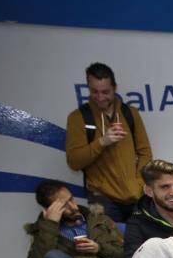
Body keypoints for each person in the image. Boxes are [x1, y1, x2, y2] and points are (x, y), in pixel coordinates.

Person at [65, 63, 153, 222]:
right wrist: (101, 142)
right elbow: (74, 161)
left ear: (115, 88)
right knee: (109, 245)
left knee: (142, 244)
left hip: (136, 195)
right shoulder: (78, 117)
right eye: (94, 92)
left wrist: (139, 182)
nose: (100, 97)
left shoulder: (130, 113)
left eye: (105, 92)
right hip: (101, 198)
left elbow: (145, 152)